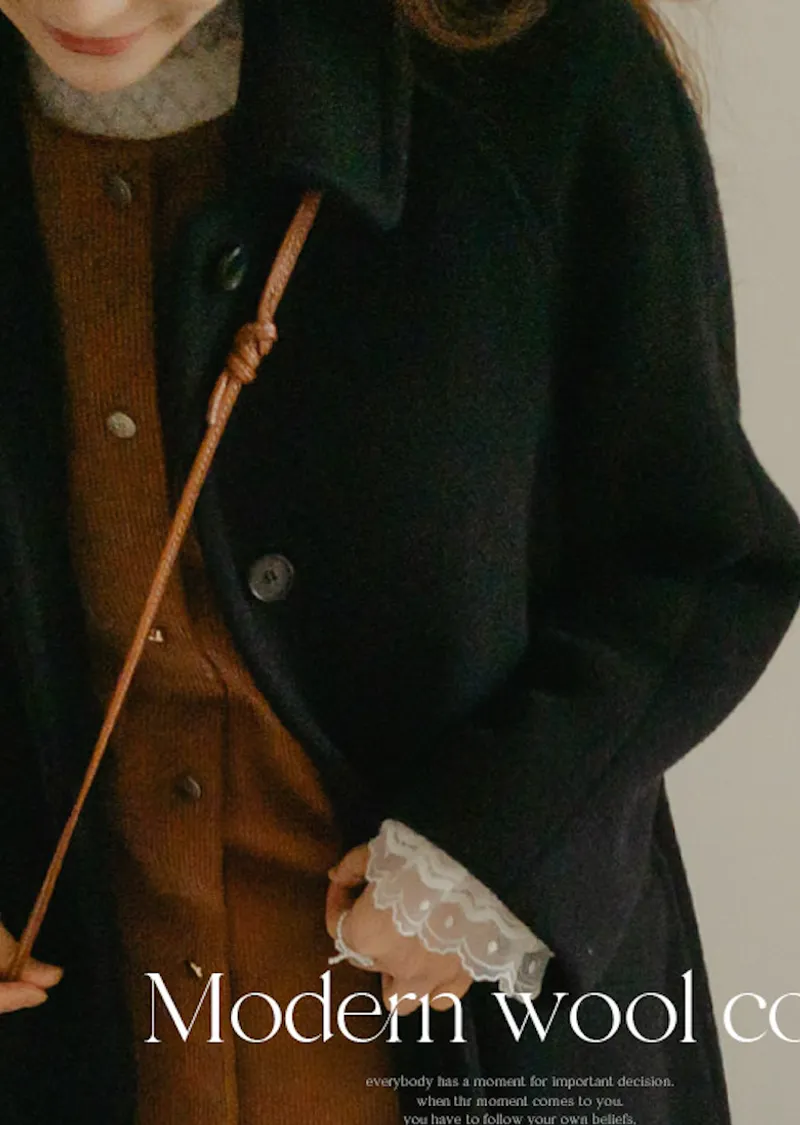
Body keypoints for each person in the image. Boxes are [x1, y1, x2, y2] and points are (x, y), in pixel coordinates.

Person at [0, 0, 798, 1122]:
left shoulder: (538, 70)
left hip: (482, 1056)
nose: (84, 8)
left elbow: (702, 552)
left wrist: (493, 847)